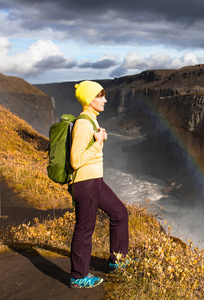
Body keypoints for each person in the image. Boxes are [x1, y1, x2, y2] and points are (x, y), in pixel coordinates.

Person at [69, 80, 129, 289]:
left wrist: (99, 139)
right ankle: (78, 276)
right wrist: (98, 143)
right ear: (89, 100)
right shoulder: (84, 123)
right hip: (85, 183)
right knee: (85, 229)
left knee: (119, 213)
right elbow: (75, 160)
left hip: (95, 181)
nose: (105, 100)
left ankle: (118, 260)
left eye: (103, 95)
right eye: (100, 96)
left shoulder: (91, 121)